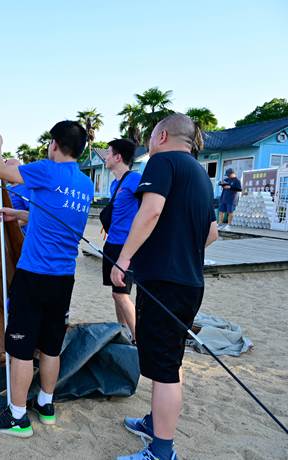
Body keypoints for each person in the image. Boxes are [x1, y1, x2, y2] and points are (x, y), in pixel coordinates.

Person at [110, 113, 218, 460]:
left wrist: (124, 259)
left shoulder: (162, 162)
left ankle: (161, 450)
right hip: (189, 282)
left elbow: (151, 212)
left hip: (165, 284)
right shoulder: (201, 175)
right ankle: (156, 424)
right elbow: (212, 233)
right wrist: (179, 248)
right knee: (169, 359)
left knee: (166, 368)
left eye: (151, 137)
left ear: (162, 136)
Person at [0, 121, 93, 438]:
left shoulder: (47, 169)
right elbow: (53, 216)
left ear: (54, 144)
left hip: (34, 276)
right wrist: (17, 215)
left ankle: (18, 417)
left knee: (20, 347)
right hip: (64, 278)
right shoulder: (85, 184)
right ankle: (46, 405)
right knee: (50, 346)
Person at [102, 139, 141, 341]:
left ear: (118, 157)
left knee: (121, 294)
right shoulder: (114, 184)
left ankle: (138, 338)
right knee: (115, 294)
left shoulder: (135, 179)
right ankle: (123, 332)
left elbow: (150, 208)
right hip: (112, 243)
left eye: (108, 153)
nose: (106, 157)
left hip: (126, 246)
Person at [4, 158, 30, 233]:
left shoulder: (26, 188)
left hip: (22, 235)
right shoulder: (6, 188)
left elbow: (33, 216)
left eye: (6, 169)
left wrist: (12, 226)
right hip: (7, 234)